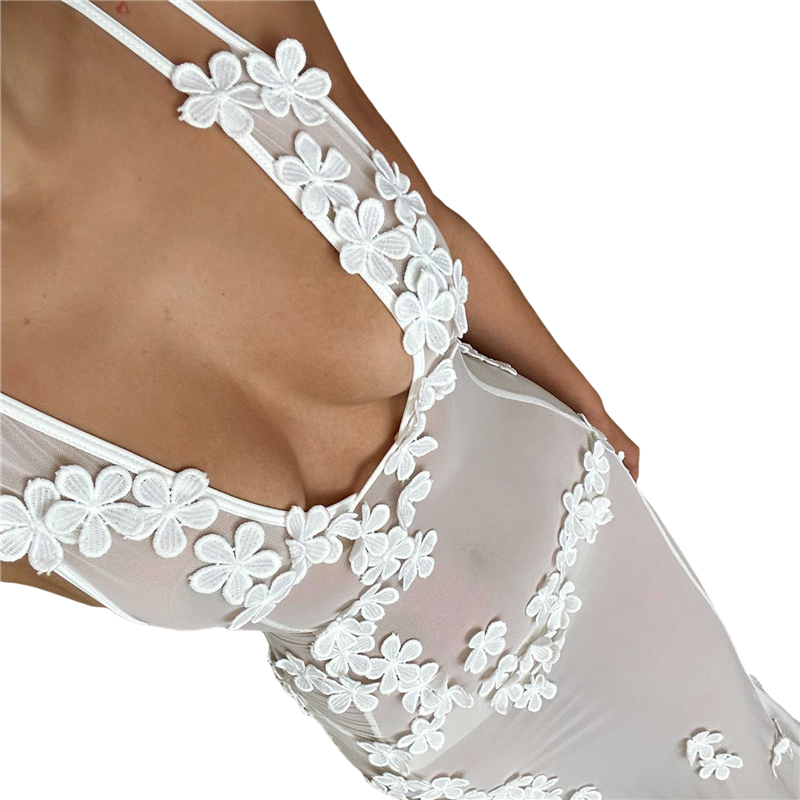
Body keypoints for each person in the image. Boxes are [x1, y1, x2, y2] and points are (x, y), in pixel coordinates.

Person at [1, 3, 797, 798]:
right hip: (445, 752)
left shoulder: (201, 14)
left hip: (591, 554)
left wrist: (587, 405)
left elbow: (424, 219)